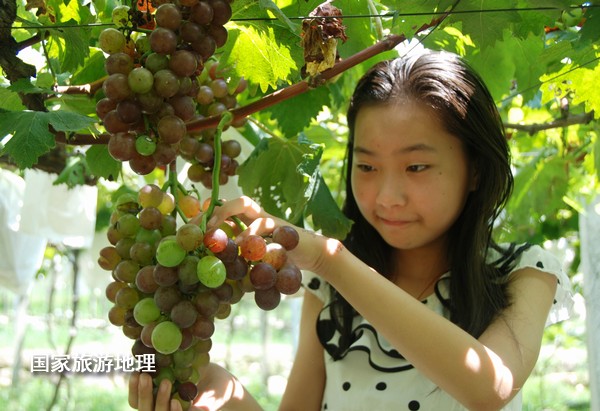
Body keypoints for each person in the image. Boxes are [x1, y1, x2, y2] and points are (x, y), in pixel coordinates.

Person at [128, 50, 573, 411]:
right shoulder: (328, 292)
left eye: (416, 166)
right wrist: (222, 393)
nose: (386, 196)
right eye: (366, 166)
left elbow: (490, 387)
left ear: (474, 170)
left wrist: (328, 259)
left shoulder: (524, 273)